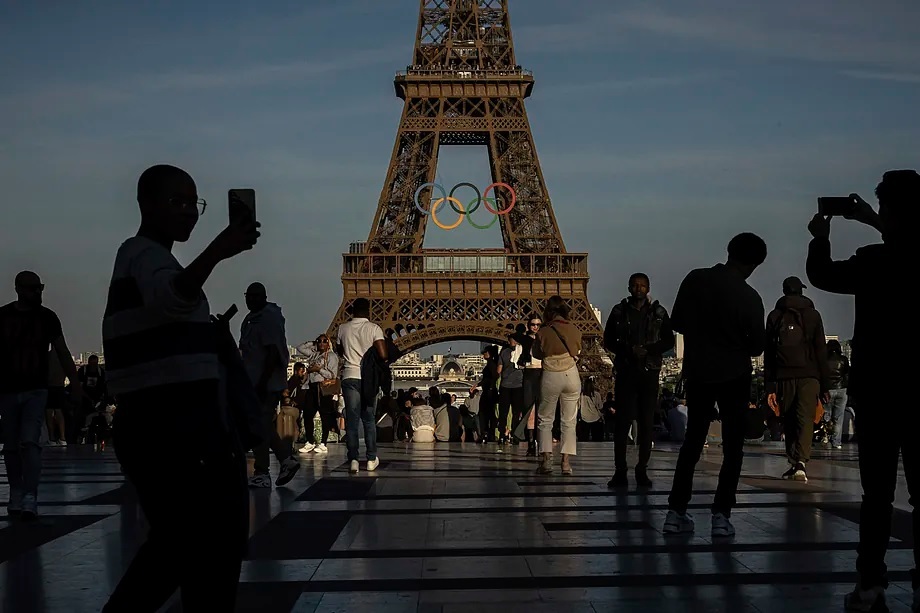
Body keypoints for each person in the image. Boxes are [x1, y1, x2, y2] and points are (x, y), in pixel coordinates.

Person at [101, 164, 257, 611]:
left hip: (170, 421)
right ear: (146, 204)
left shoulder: (152, 258)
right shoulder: (140, 253)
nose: (189, 212)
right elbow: (172, 296)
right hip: (171, 423)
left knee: (187, 544)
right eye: (177, 202)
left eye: (194, 203)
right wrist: (218, 251)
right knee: (197, 544)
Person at [805, 170, 919, 612]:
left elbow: (822, 274)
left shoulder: (874, 261)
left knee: (877, 495)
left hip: (878, 389)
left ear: (888, 211)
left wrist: (820, 235)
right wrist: (875, 219)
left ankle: (870, 584)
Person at [662, 233, 767, 538]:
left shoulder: (696, 279)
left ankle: (676, 511)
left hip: (698, 371)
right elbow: (758, 347)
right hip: (734, 373)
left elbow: (677, 323)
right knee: (734, 448)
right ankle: (721, 515)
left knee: (692, 442)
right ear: (755, 264)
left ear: (729, 251)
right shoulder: (750, 297)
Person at [0, 271, 82, 519]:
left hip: (34, 388)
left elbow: (63, 351)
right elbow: (63, 351)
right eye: (33, 288)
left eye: (39, 288)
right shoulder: (7, 317)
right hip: (11, 388)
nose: (38, 292)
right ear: (19, 289)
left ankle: (26, 495)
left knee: (27, 442)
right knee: (15, 446)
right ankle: (21, 494)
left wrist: (76, 383)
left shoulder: (46, 317)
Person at [603, 273, 675, 489]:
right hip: (627, 371)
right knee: (623, 423)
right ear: (629, 287)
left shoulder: (659, 312)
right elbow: (608, 340)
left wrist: (647, 350)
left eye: (642, 285)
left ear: (648, 287)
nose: (638, 289)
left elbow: (668, 340)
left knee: (645, 423)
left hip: (648, 371)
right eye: (635, 285)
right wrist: (628, 350)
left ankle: (641, 469)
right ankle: (620, 470)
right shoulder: (619, 311)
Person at [763, 276, 829, 482]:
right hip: (810, 375)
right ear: (801, 291)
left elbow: (770, 352)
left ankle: (794, 462)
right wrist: (825, 384)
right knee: (805, 418)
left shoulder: (775, 315)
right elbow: (820, 350)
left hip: (783, 375)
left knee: (789, 418)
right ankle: (802, 461)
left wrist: (770, 385)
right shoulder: (813, 315)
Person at [240, 282, 299, 489]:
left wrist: (262, 383)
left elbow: (272, 353)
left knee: (260, 424)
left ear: (264, 297)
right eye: (248, 296)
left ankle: (262, 472)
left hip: (264, 384)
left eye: (255, 296)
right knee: (263, 425)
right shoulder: (252, 319)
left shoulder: (266, 319)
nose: (250, 300)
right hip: (258, 383)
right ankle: (286, 460)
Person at [532, 295, 583, 475]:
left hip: (551, 375)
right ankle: (566, 463)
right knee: (569, 421)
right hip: (571, 375)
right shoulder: (575, 329)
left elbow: (537, 354)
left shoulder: (543, 331)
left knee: (545, 420)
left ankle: (546, 461)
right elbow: (577, 350)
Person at [336, 297, 386, 474]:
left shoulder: (342, 328)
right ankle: (371, 459)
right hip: (368, 378)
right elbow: (383, 354)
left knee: (351, 420)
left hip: (349, 376)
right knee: (369, 420)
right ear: (368, 311)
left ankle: (354, 460)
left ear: (351, 311)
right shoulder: (373, 328)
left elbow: (339, 350)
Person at [824, 339, 849, 450]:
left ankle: (825, 437)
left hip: (828, 389)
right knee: (839, 417)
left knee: (827, 415)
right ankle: (836, 442)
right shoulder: (843, 359)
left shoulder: (824, 360)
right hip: (842, 389)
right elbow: (847, 374)